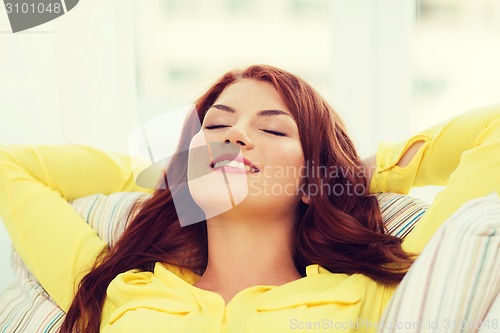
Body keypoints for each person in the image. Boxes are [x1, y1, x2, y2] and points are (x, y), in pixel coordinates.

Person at [0, 65, 498, 333]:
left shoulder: (373, 294)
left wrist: (354, 171)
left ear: (309, 182)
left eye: (272, 128)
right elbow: (9, 165)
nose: (234, 135)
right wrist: (170, 174)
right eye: (215, 126)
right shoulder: (116, 288)